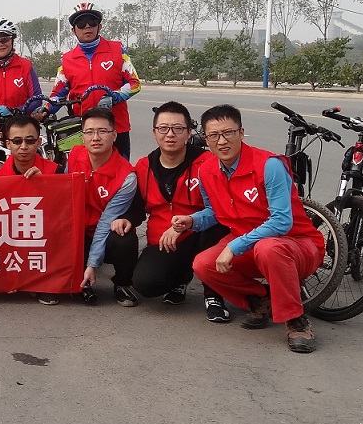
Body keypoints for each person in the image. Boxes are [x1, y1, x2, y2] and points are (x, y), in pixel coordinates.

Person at [172, 105, 324, 353]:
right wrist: (192, 220)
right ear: (206, 139)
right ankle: (261, 298)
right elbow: (214, 212)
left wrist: (234, 246)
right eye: (213, 135)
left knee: (269, 248)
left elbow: (281, 222)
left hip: (297, 244)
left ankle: (296, 319)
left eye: (228, 133)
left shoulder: (269, 165)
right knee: (203, 265)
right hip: (251, 244)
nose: (222, 141)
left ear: (241, 132)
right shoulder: (206, 170)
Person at [119, 102, 230, 321]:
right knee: (146, 283)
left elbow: (221, 209)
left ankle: (214, 295)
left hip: (201, 234)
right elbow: (137, 208)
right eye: (163, 128)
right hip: (164, 240)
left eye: (178, 128)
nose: (170, 134)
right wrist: (127, 219)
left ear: (188, 132)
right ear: (154, 132)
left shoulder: (208, 163)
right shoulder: (144, 166)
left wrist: (188, 223)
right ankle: (181, 277)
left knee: (217, 227)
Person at [66, 107, 138, 306]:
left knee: (124, 238)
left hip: (105, 232)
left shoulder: (127, 177)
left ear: (114, 135)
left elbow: (106, 222)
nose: (95, 138)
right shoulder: (74, 155)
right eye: (89, 132)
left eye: (102, 131)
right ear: (82, 136)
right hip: (78, 231)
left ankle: (122, 283)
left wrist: (92, 264)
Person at [51, 2, 141, 160]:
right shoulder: (67, 60)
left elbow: (135, 83)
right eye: (81, 23)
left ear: (99, 26)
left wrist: (115, 96)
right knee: (83, 170)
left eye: (92, 22)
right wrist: (44, 110)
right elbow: (57, 95)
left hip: (116, 128)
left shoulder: (117, 50)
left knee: (121, 170)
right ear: (73, 30)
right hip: (84, 130)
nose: (87, 27)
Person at [0, 114, 60, 178]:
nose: (24, 147)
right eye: (17, 141)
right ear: (8, 144)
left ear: (39, 142)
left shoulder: (55, 172)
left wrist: (44, 182)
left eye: (30, 141)